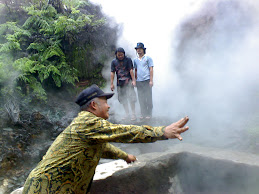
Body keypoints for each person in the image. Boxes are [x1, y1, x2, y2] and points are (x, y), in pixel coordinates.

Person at [22, 84, 189, 194]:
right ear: (94, 105)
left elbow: (103, 147)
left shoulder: (87, 126)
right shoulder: (87, 121)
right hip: (45, 189)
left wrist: (125, 156)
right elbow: (124, 132)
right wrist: (162, 132)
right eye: (105, 102)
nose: (109, 105)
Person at [111, 47, 137, 121]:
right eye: (119, 55)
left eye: (121, 55)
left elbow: (131, 70)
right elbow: (112, 73)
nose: (120, 56)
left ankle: (133, 114)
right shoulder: (114, 62)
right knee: (123, 99)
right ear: (116, 55)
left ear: (124, 54)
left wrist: (133, 80)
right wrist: (111, 83)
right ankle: (127, 113)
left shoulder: (128, 60)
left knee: (131, 98)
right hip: (120, 83)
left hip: (128, 82)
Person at [133, 42, 154, 120]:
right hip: (139, 81)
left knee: (148, 97)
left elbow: (151, 69)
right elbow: (135, 70)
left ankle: (149, 113)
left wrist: (151, 80)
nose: (139, 51)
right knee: (141, 98)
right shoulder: (135, 60)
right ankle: (143, 113)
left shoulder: (148, 58)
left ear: (143, 50)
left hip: (146, 80)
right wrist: (135, 80)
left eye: (140, 49)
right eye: (137, 49)